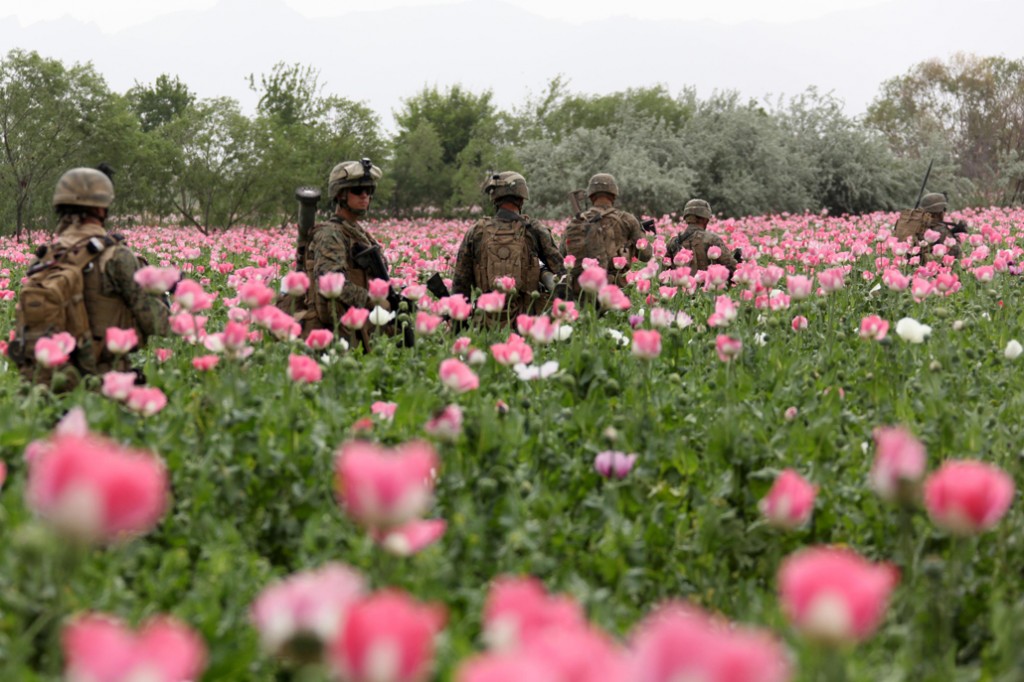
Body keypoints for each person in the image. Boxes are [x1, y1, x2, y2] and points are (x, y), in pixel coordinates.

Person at [11, 166, 168, 382]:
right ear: (102, 208)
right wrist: (164, 298)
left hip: (50, 381)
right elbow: (157, 324)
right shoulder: (116, 256)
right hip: (106, 381)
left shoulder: (45, 258)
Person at [303, 158, 395, 350]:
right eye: (357, 191)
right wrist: (377, 301)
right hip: (335, 337)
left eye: (368, 191)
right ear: (340, 195)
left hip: (358, 334)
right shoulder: (331, 234)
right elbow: (333, 284)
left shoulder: (357, 232)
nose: (364, 196)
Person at [452, 171, 565, 318]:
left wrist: (457, 323)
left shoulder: (476, 232)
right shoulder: (534, 230)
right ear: (521, 198)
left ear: (495, 199)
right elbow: (562, 274)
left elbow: (461, 282)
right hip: (528, 323)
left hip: (486, 323)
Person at [560, 173, 652, 294]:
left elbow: (562, 254)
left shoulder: (577, 222)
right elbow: (646, 255)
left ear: (591, 196)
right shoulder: (627, 220)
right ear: (614, 195)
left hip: (584, 289)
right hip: (617, 289)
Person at [665, 199, 738, 277]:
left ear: (686, 218)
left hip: (680, 287)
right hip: (707, 288)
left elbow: (666, 272)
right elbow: (731, 266)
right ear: (705, 219)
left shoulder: (673, 242)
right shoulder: (712, 240)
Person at [894, 192, 964, 261]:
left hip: (907, 263)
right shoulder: (939, 229)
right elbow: (956, 254)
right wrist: (955, 240)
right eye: (944, 209)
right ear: (940, 212)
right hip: (929, 268)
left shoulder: (914, 223)